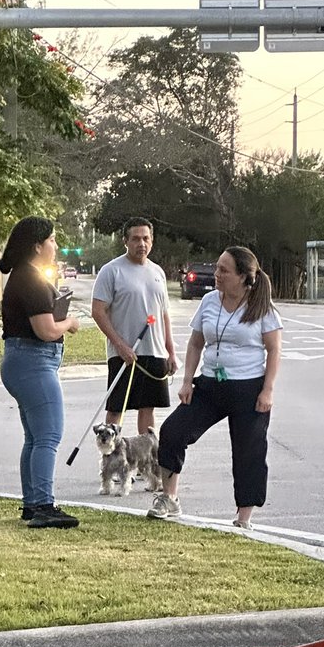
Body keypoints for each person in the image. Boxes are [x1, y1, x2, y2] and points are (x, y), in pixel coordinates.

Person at [146, 246, 282, 529]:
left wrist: (267, 390)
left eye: (224, 270)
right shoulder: (209, 301)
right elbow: (196, 343)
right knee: (173, 431)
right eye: (217, 267)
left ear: (244, 277)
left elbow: (274, 350)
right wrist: (187, 381)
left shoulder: (261, 308)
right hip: (210, 384)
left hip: (248, 388)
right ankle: (169, 497)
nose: (216, 274)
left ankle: (243, 516)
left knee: (248, 451)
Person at [0, 216, 81, 529]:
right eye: (52, 241)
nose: (55, 246)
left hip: (22, 361)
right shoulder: (29, 279)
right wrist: (69, 323)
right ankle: (44, 505)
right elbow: (45, 330)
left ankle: (33, 503)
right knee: (49, 434)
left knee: (34, 437)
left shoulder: (26, 276)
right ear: (37, 246)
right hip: (33, 361)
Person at [91, 218, 178, 435]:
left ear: (152, 240)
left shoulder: (158, 272)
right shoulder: (111, 271)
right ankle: (110, 460)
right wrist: (120, 346)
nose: (142, 244)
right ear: (125, 241)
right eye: (136, 239)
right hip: (124, 354)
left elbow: (163, 314)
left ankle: (145, 461)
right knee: (116, 408)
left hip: (154, 352)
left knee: (147, 409)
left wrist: (171, 352)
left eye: (146, 238)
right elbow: (98, 311)